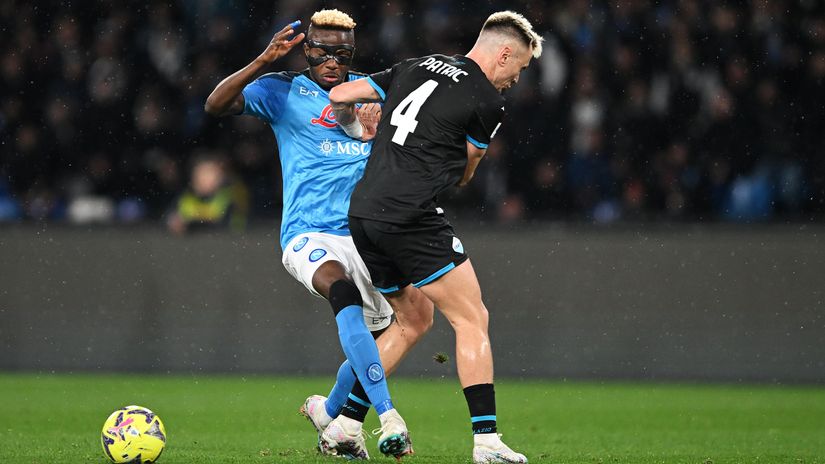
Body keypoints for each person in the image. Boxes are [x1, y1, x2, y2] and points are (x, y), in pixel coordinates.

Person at [203, 9, 433, 459]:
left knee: (386, 331)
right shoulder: (283, 89)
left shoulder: (373, 94)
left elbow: (408, 159)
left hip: (367, 235)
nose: (333, 60)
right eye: (324, 51)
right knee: (342, 292)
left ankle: (328, 412)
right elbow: (215, 105)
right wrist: (263, 59)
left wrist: (374, 136)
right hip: (308, 233)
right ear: (307, 49)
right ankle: (387, 416)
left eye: (343, 52)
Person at [329, 10, 543, 464]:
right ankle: (486, 441)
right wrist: (457, 168)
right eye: (519, 68)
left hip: (364, 213)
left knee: (413, 320)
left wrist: (359, 128)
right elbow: (467, 169)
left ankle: (345, 424)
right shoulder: (487, 100)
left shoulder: (413, 65)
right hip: (411, 216)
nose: (514, 80)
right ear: (504, 53)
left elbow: (341, 92)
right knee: (472, 318)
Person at [166, 153, 249, 235]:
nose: (205, 178)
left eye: (210, 173)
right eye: (202, 173)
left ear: (221, 177)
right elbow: (167, 221)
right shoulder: (184, 198)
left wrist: (191, 225)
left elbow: (228, 226)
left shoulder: (230, 197)